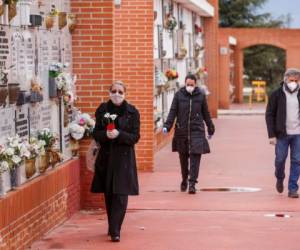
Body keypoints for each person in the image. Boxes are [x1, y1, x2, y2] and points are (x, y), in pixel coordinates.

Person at [91, 81, 140, 242]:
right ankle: (113, 224)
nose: (117, 94)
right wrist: (106, 135)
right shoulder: (102, 110)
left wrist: (119, 135)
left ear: (125, 93)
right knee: (109, 194)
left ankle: (115, 230)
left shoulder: (132, 112)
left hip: (124, 159)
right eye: (114, 91)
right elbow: (96, 133)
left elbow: (135, 137)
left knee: (120, 194)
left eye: (120, 91)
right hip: (106, 157)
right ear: (109, 92)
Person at [163, 74, 215, 194]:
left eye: (192, 85)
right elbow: (172, 112)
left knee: (195, 158)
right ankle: (184, 179)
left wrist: (211, 128)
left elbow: (206, 113)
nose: (189, 87)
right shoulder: (179, 95)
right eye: (188, 85)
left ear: (195, 84)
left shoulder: (201, 96)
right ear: (184, 84)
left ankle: (192, 183)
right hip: (182, 131)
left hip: (197, 131)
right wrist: (167, 126)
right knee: (183, 159)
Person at [266, 68, 300, 198]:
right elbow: (269, 115)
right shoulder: (276, 94)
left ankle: (292, 188)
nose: (294, 83)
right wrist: (271, 135)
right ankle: (280, 178)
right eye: (291, 80)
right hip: (282, 134)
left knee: (297, 160)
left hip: (298, 134)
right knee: (280, 159)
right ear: (285, 80)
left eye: (296, 80)